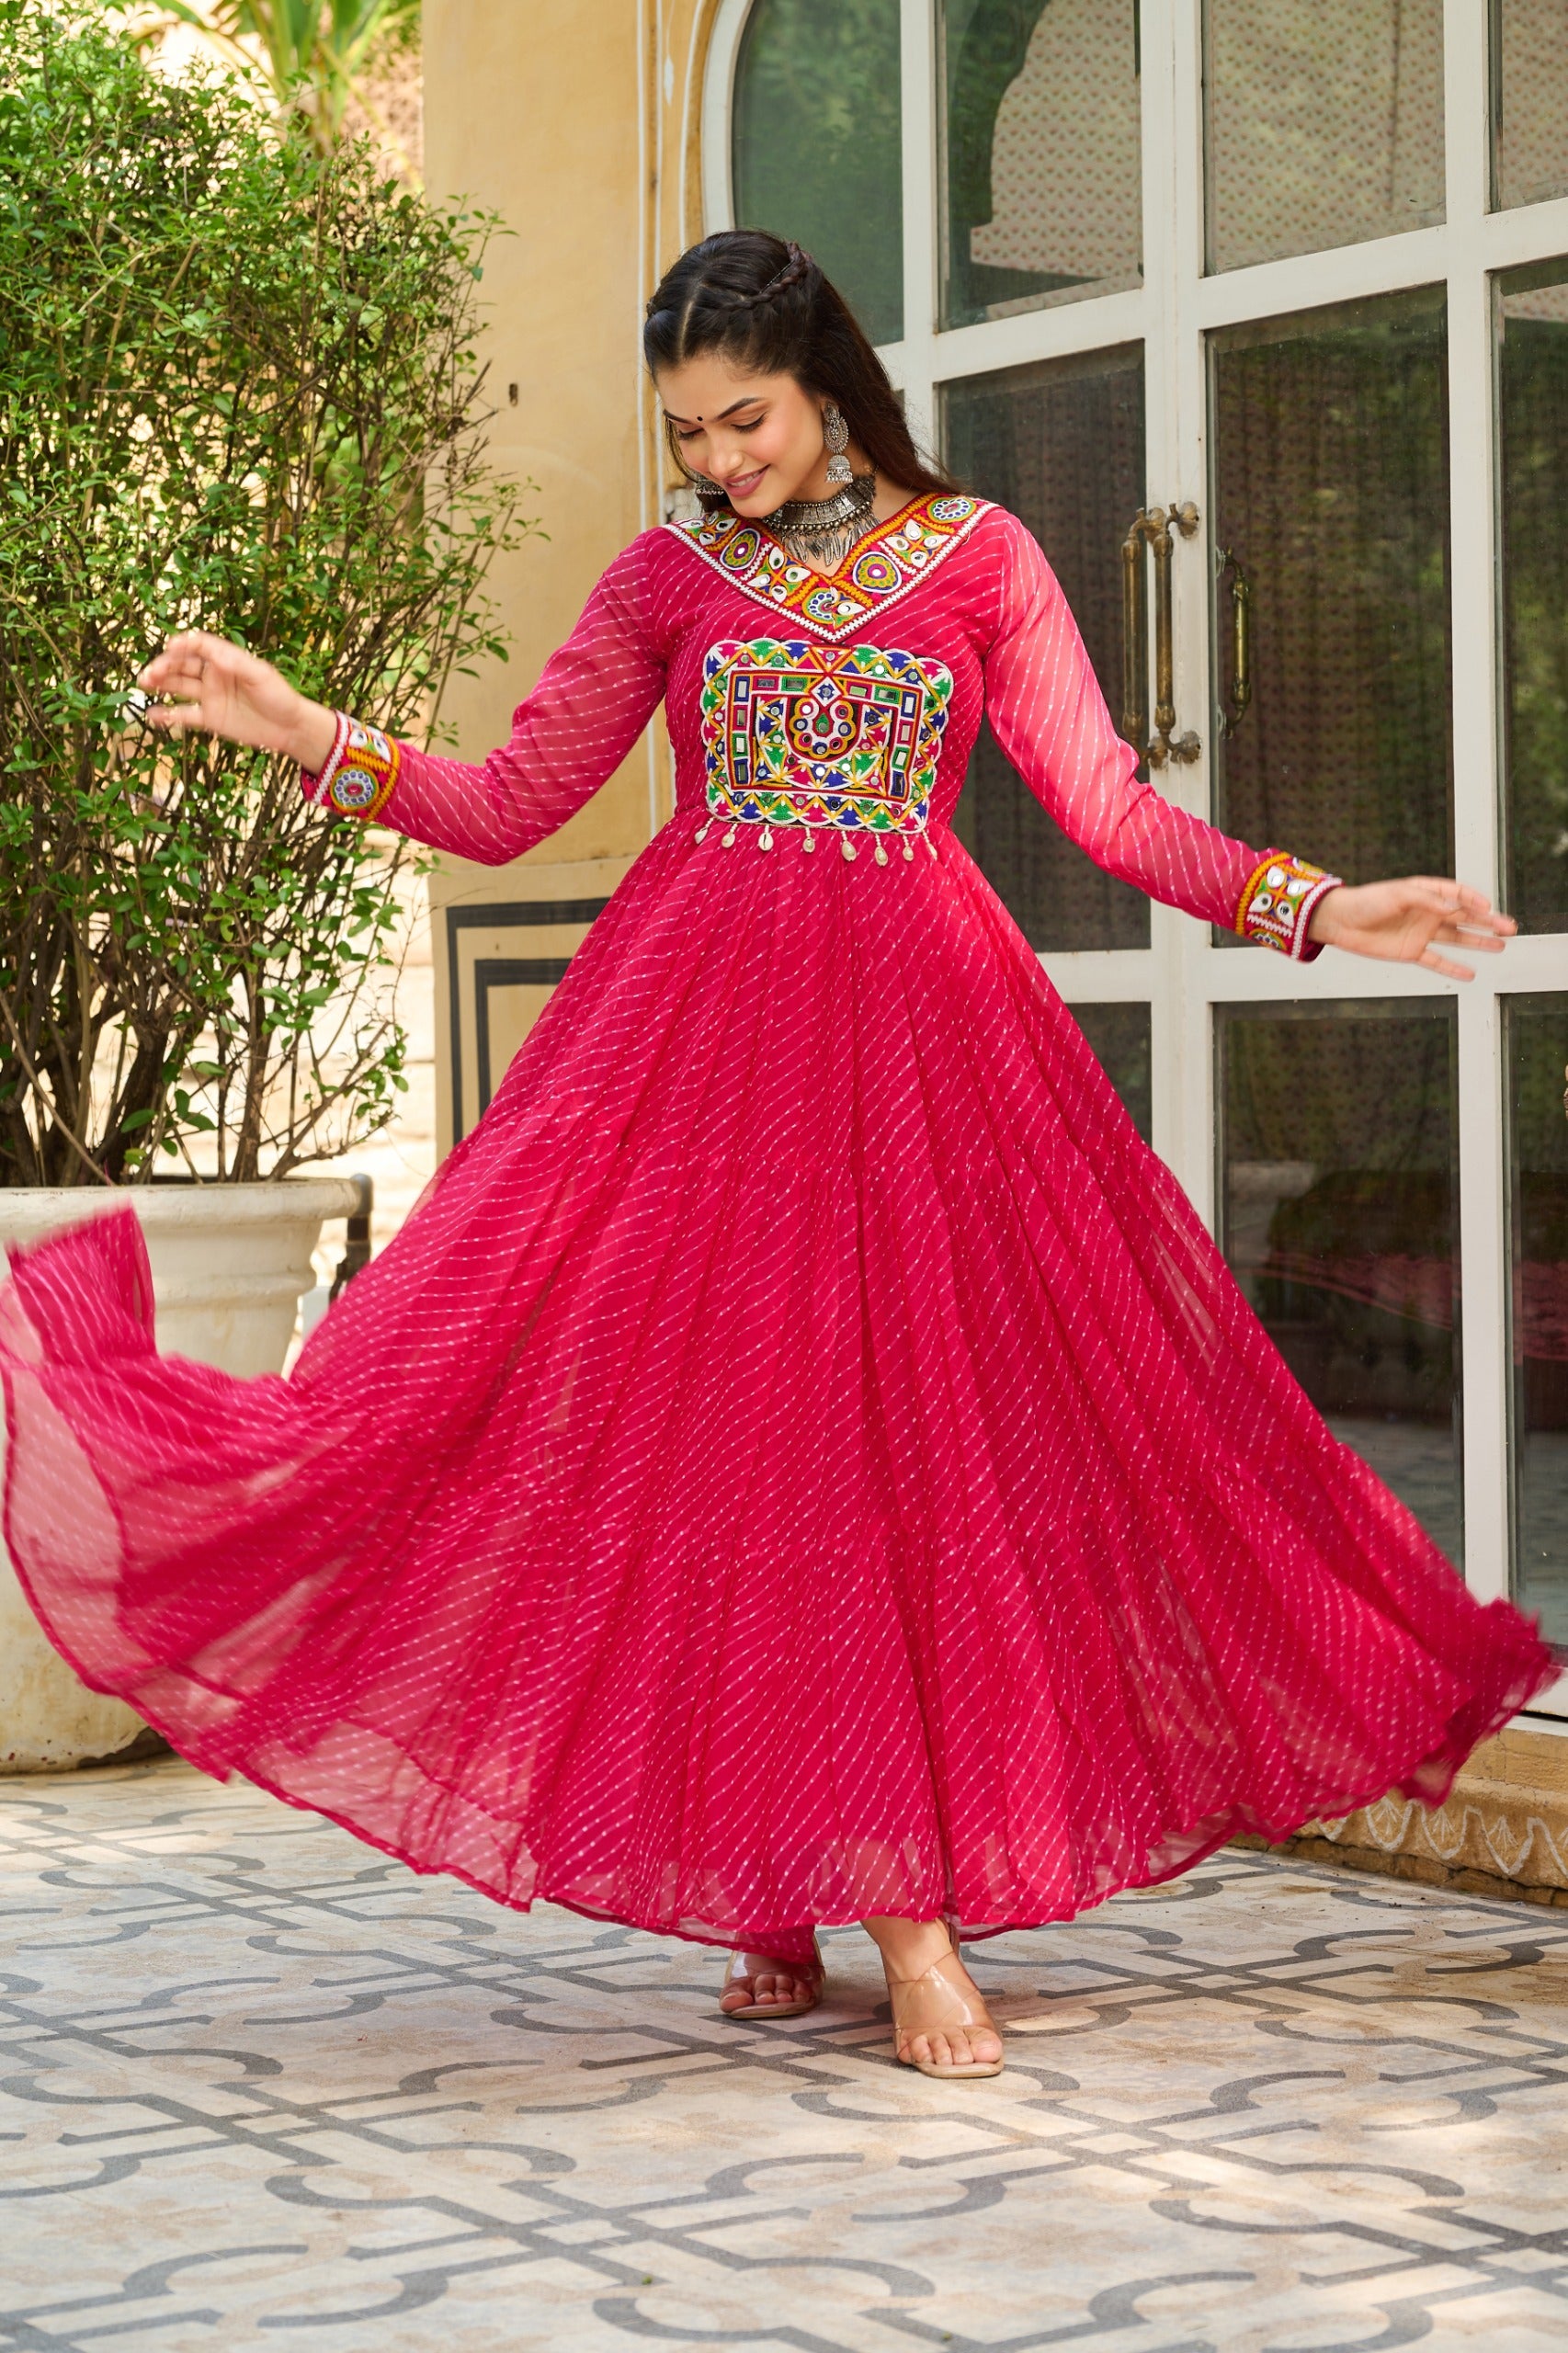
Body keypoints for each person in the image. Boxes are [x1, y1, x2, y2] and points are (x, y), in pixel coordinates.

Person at [4, 232, 1554, 2085]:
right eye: (688, 431)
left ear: (826, 375)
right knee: (738, 1447)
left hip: (922, 1059)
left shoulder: (979, 556)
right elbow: (508, 803)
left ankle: (876, 1900)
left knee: (889, 1457)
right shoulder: (669, 575)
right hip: (694, 1059)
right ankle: (807, 1891)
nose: (721, 458)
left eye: (743, 417)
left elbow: (1109, 806)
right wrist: (303, 732)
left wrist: (1321, 906)